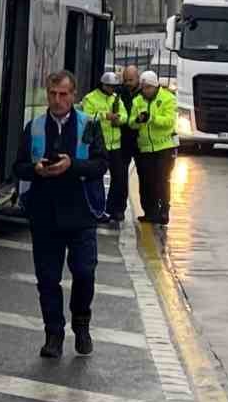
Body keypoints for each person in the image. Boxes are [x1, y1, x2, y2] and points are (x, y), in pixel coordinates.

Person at [13, 70, 108, 358]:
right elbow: (18, 167)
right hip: (45, 214)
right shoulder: (35, 127)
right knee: (48, 279)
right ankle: (53, 333)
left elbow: (101, 165)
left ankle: (81, 324)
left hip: (81, 214)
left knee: (84, 272)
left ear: (73, 95)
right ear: (47, 95)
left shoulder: (89, 125)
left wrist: (73, 165)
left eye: (63, 94)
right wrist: (37, 170)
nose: (58, 100)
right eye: (53, 94)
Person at [79, 71, 130, 225]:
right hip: (98, 146)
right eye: (110, 86)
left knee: (119, 178)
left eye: (114, 87)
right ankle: (96, 209)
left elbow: (125, 116)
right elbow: (86, 116)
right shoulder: (91, 98)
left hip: (115, 145)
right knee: (96, 179)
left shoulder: (116, 99)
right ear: (103, 85)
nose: (112, 89)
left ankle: (114, 209)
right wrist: (104, 116)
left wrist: (118, 119)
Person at [130, 70, 179, 224]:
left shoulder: (168, 98)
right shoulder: (138, 101)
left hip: (164, 147)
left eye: (148, 88)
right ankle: (149, 212)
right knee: (146, 181)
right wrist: (138, 120)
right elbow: (131, 123)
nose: (146, 91)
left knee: (162, 180)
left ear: (155, 86)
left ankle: (163, 211)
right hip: (145, 148)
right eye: (143, 88)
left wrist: (151, 118)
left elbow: (169, 121)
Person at [111, 66, 142, 221]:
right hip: (123, 138)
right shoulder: (119, 92)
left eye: (131, 80)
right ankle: (118, 209)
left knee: (145, 176)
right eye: (125, 80)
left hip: (140, 139)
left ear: (138, 78)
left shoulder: (144, 93)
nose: (128, 83)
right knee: (120, 176)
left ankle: (149, 210)